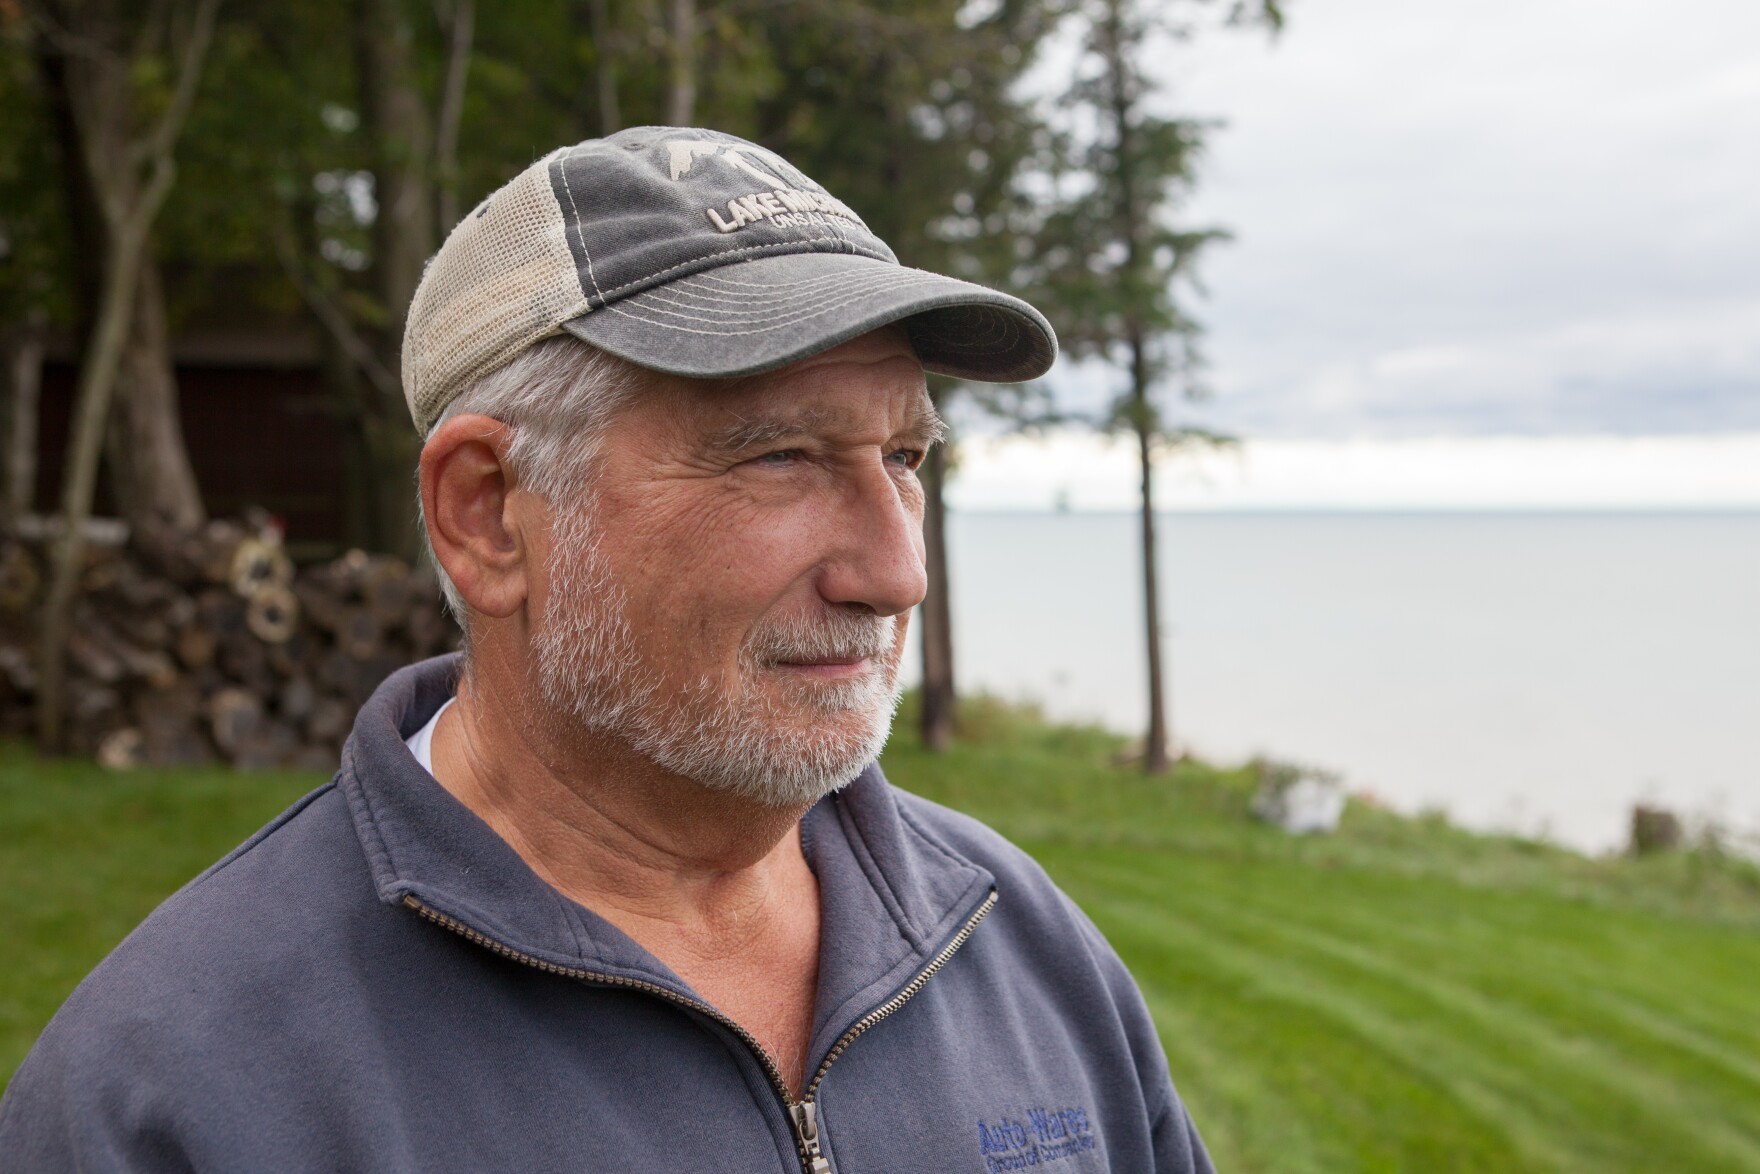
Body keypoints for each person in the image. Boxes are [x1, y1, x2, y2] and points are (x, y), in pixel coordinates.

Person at [0, 128, 1213, 1173]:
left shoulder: (1017, 944)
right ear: (486, 511)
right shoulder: (179, 1095)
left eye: (901, 457)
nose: (895, 572)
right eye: (778, 456)